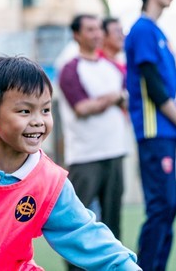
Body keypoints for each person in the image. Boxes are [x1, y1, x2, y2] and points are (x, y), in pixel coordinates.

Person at [0, 56, 140, 270]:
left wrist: (125, 266)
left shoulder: (49, 183)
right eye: (25, 111)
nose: (38, 121)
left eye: (45, 109)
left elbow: (86, 235)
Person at [124, 0, 176, 271]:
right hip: (154, 130)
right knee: (161, 206)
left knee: (169, 206)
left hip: (168, 132)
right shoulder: (143, 30)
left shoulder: (158, 32)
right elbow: (154, 86)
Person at [57, 14, 128, 252]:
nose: (96, 34)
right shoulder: (70, 69)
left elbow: (127, 99)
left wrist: (108, 100)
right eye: (89, 29)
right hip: (85, 156)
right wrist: (113, 98)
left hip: (115, 152)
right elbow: (82, 108)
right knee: (77, 222)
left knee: (113, 222)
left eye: (98, 29)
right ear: (76, 35)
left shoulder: (112, 67)